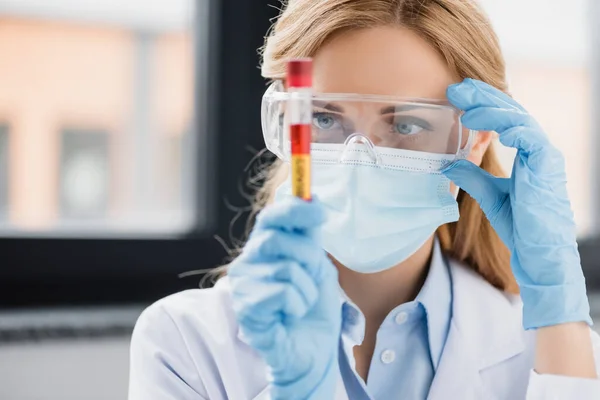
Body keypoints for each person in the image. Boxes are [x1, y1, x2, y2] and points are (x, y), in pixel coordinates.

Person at [128, 0, 600, 399]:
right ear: (287, 125)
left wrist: (560, 308)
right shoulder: (183, 342)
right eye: (326, 120)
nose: (360, 161)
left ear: (473, 140)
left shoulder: (562, 352)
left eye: (407, 125)